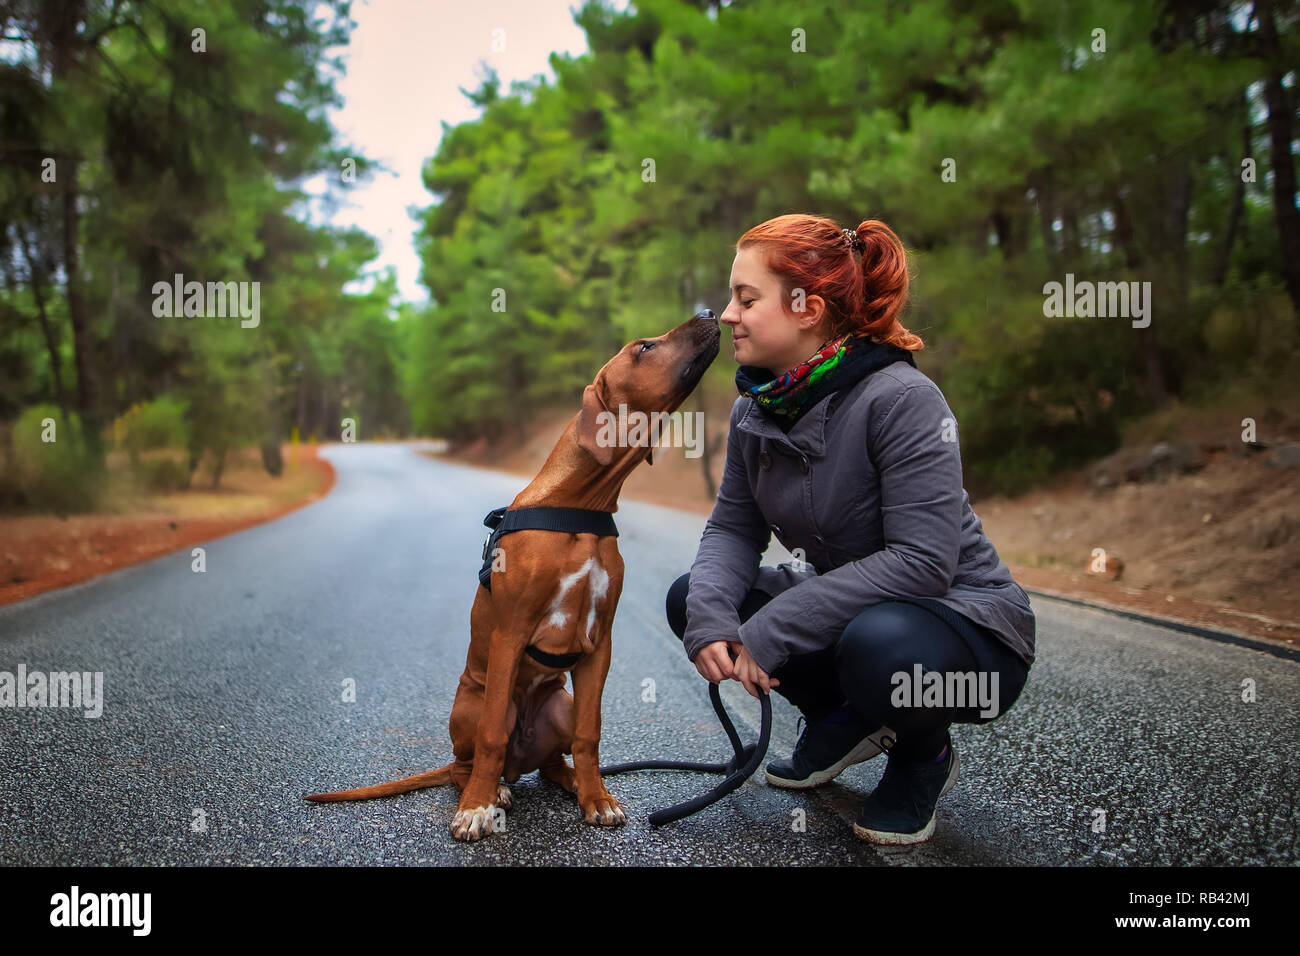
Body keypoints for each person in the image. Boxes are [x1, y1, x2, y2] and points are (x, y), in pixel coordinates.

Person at [664, 213, 1035, 845]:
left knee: (877, 644)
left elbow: (923, 563)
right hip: (862, 611)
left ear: (807, 308)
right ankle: (843, 716)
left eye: (746, 299)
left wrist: (775, 626)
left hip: (965, 626)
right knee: (693, 595)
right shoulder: (757, 406)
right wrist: (711, 621)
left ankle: (924, 757)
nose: (728, 315)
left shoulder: (902, 399)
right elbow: (732, 528)